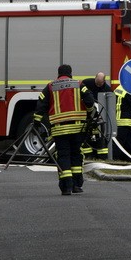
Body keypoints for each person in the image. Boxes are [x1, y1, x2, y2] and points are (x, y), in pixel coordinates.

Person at [34, 64, 96, 195]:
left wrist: (37, 122)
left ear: (58, 74)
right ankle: (77, 185)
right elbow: (89, 101)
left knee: (63, 155)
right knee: (76, 154)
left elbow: (41, 105)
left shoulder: (50, 86)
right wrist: (90, 114)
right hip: (78, 127)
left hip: (59, 129)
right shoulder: (79, 84)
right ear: (71, 73)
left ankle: (66, 187)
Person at [80, 72, 111, 160]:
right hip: (86, 112)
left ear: (104, 81)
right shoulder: (86, 83)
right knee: (86, 135)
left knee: (99, 136)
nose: (98, 85)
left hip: (99, 115)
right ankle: (88, 156)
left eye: (100, 83)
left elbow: (110, 102)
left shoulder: (107, 89)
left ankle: (101, 157)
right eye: (96, 82)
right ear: (95, 78)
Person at [113, 84, 131, 160]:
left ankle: (117, 159)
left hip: (118, 120)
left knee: (119, 143)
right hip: (127, 120)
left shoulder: (118, 88)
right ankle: (130, 159)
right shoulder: (129, 90)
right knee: (129, 143)